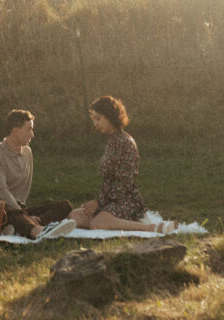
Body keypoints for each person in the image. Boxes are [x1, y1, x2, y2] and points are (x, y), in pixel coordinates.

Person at [68, 95, 177, 234]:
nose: (95, 124)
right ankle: (111, 221)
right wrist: (98, 202)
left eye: (98, 119)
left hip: (126, 201)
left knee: (97, 223)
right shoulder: (112, 141)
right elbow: (109, 181)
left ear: (110, 117)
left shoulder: (124, 141)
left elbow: (124, 183)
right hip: (110, 201)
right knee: (75, 216)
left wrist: (98, 203)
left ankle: (151, 228)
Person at [0, 108, 75, 240]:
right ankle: (38, 231)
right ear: (15, 131)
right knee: (14, 215)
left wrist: (26, 214)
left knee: (65, 206)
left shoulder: (27, 152)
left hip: (19, 208)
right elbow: (0, 190)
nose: (32, 134)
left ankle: (24, 225)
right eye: (28, 129)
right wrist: (21, 212)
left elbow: (23, 191)